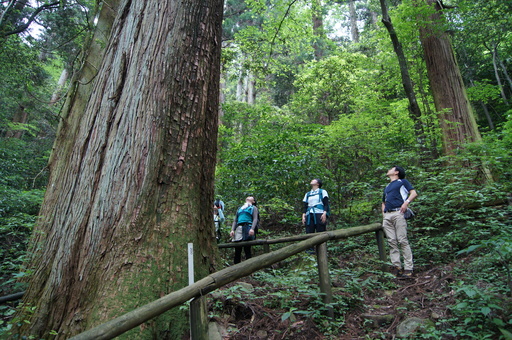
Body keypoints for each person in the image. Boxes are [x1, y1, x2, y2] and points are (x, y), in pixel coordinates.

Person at [381, 166, 418, 278]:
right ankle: (396, 267)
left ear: (396, 172)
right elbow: (383, 201)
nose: (388, 170)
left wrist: (406, 203)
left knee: (402, 240)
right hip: (388, 215)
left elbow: (414, 193)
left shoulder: (402, 182)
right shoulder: (387, 186)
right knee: (391, 241)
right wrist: (384, 214)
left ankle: (408, 268)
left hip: (398, 213)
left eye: (391, 169)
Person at [230, 196, 258, 264]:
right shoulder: (240, 208)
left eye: (250, 198)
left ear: (253, 201)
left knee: (247, 249)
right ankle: (236, 268)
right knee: (237, 249)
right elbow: (235, 220)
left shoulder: (253, 208)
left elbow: (255, 219)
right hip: (239, 228)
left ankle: (249, 268)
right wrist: (232, 230)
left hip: (247, 227)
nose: (248, 198)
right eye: (247, 197)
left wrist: (252, 229)